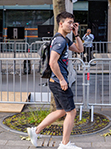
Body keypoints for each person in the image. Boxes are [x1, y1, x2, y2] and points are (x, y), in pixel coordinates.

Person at [28, 12, 85, 149]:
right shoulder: (60, 40)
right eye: (69, 23)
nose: (71, 25)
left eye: (73, 23)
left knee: (61, 111)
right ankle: (65, 144)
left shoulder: (64, 39)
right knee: (71, 112)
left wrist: (76, 34)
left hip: (56, 82)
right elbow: (53, 63)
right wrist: (62, 80)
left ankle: (35, 131)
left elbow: (79, 49)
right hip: (59, 82)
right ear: (61, 24)